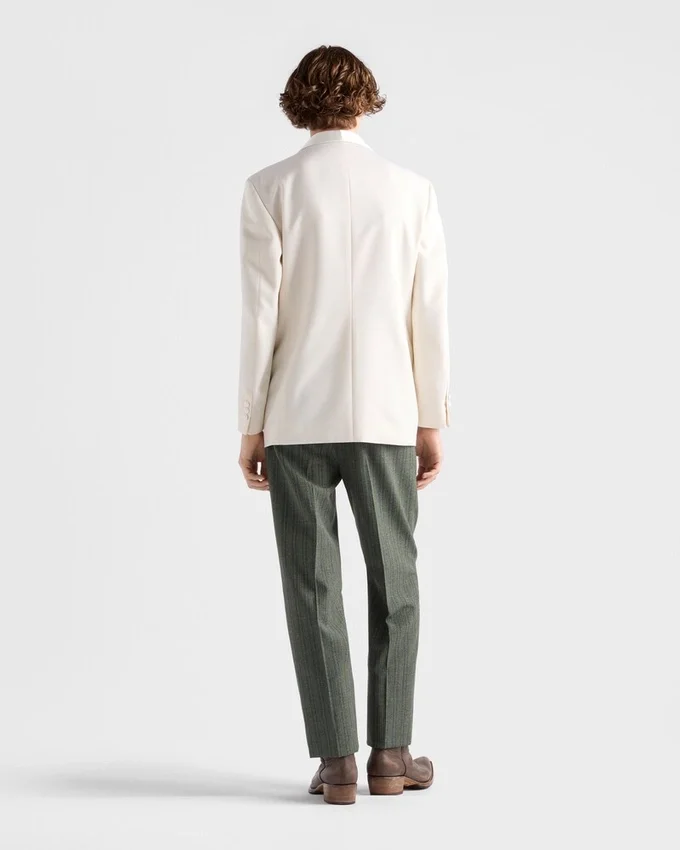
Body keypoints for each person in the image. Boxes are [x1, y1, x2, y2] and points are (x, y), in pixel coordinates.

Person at [237, 45, 450, 805]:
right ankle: (392, 754)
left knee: (311, 587)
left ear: (298, 102)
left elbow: (259, 316)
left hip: (296, 415)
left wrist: (251, 423)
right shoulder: (412, 191)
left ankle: (336, 764)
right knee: (398, 582)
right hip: (388, 413)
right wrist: (431, 417)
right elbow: (429, 314)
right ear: (366, 99)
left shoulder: (269, 188)